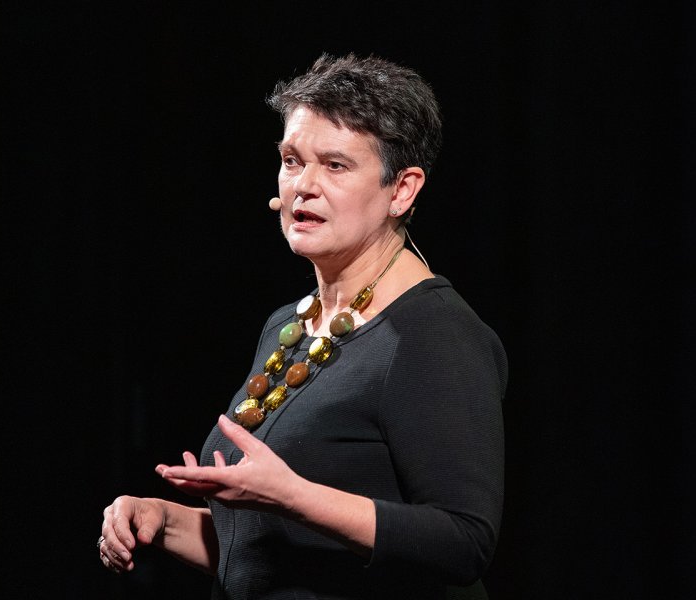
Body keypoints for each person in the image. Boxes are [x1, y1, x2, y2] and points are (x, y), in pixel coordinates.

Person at [96, 52, 508, 600]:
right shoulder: (291, 323)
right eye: (292, 161)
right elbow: (269, 554)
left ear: (402, 189)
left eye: (335, 166)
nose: (303, 186)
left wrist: (293, 495)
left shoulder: (433, 336)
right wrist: (162, 521)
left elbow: (464, 541)